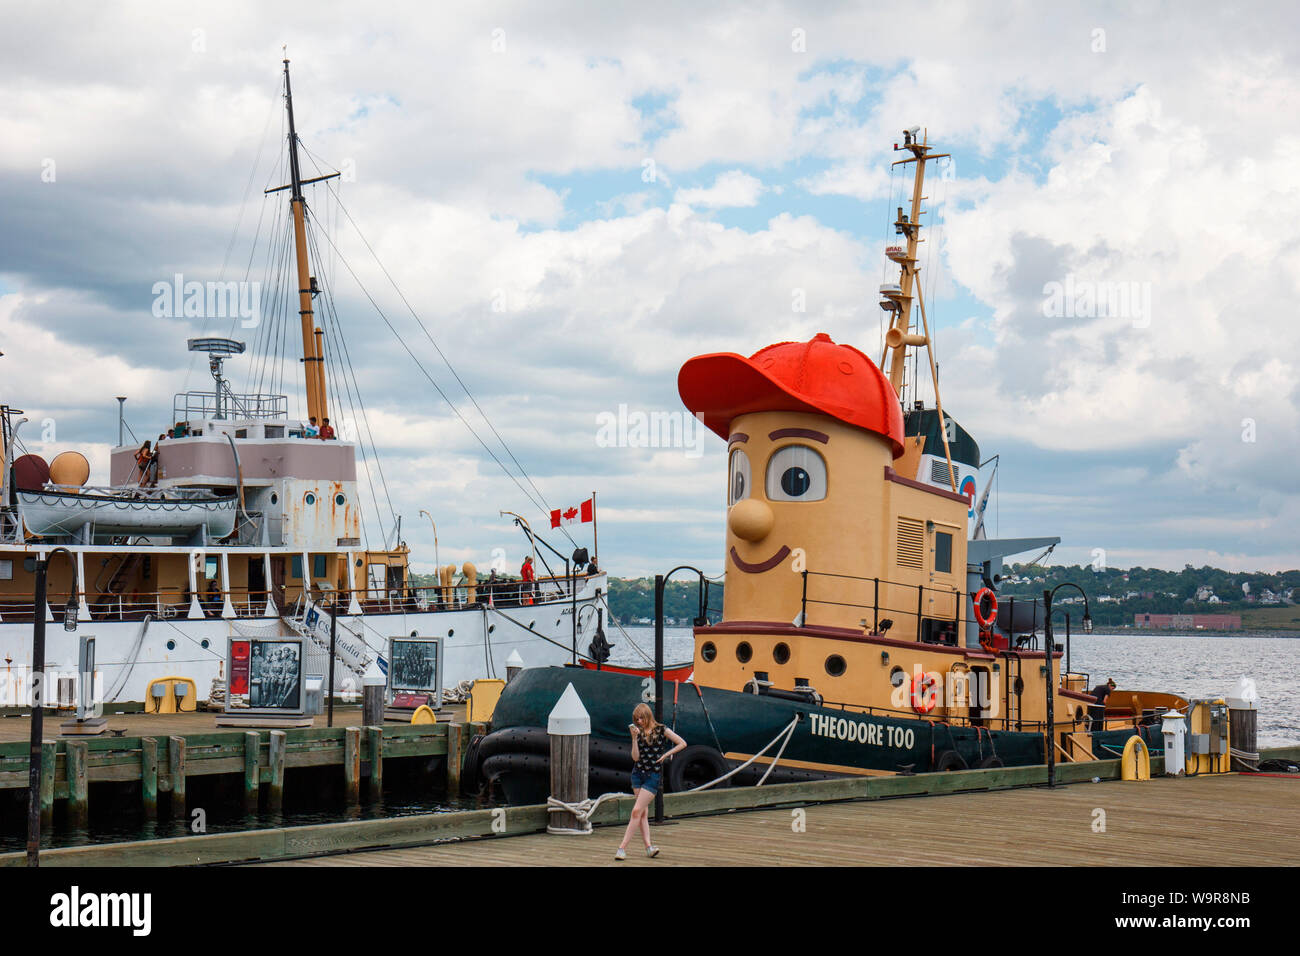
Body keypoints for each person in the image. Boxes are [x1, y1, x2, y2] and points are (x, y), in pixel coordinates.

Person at [616, 703, 686, 860]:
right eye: (636, 719)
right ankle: (649, 847)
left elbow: (682, 743)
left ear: (647, 716)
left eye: (641, 718)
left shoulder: (661, 729)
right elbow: (635, 757)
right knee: (642, 812)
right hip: (637, 774)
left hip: (652, 776)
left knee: (636, 811)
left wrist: (666, 754)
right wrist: (634, 739)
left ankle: (622, 848)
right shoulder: (638, 732)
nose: (639, 721)